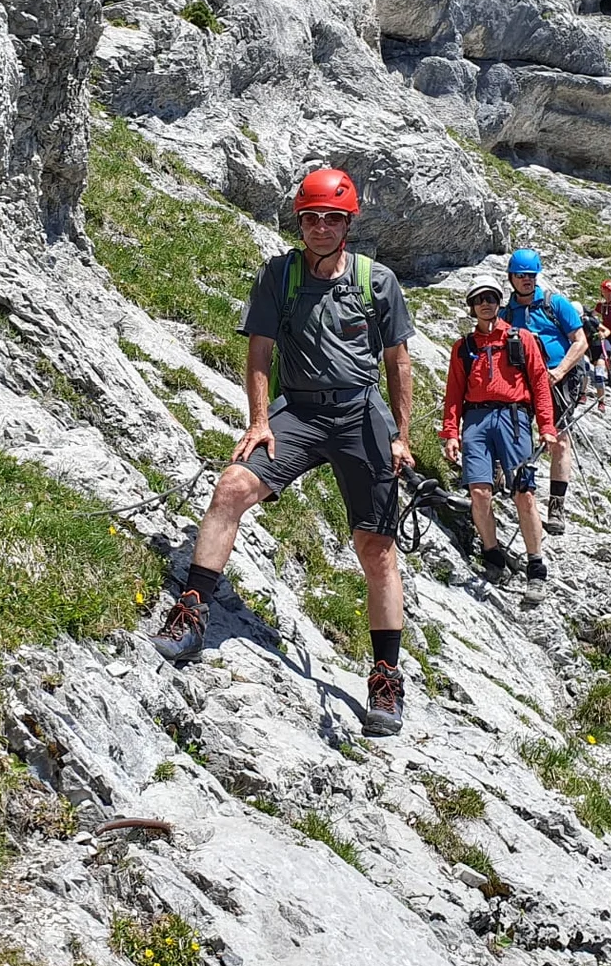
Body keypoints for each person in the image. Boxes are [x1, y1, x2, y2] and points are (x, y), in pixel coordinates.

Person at [147, 168, 417, 737]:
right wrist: (259, 420)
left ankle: (386, 678)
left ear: (349, 224)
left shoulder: (378, 282)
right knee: (230, 489)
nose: (321, 227)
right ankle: (193, 609)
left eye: (332, 219)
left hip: (360, 414)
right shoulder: (279, 275)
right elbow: (260, 350)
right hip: (300, 410)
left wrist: (400, 436)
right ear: (300, 220)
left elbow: (398, 362)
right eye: (312, 217)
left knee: (377, 548)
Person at [437, 276, 558, 604]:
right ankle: (493, 556)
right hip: (475, 421)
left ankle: (536, 567)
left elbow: (539, 384)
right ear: (472, 307)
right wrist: (450, 432)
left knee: (525, 494)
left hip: (514, 419)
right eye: (479, 300)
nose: (486, 303)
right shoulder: (463, 348)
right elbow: (453, 394)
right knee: (479, 490)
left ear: (498, 301)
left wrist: (546, 426)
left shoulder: (521, 339)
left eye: (490, 297)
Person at [500, 249, 587, 537]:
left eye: (531, 276)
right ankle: (511, 481)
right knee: (514, 430)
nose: (527, 280)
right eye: (521, 276)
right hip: (524, 380)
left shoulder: (555, 304)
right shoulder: (506, 313)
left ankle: (556, 506)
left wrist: (559, 372)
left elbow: (580, 341)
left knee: (559, 438)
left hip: (558, 378)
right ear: (511, 277)